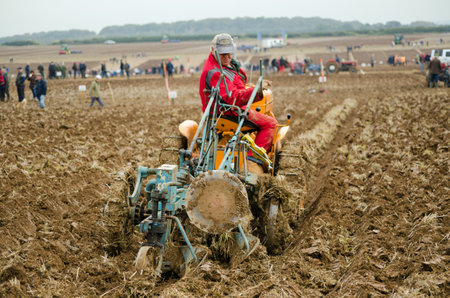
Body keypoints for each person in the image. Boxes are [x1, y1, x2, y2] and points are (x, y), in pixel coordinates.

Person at [199, 33, 277, 158]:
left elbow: (233, 86)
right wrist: (256, 90)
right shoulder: (215, 73)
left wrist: (249, 88)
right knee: (271, 124)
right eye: (222, 53)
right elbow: (232, 98)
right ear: (212, 50)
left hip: (224, 110)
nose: (227, 56)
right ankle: (252, 160)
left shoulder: (224, 65)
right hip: (228, 112)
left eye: (229, 52)